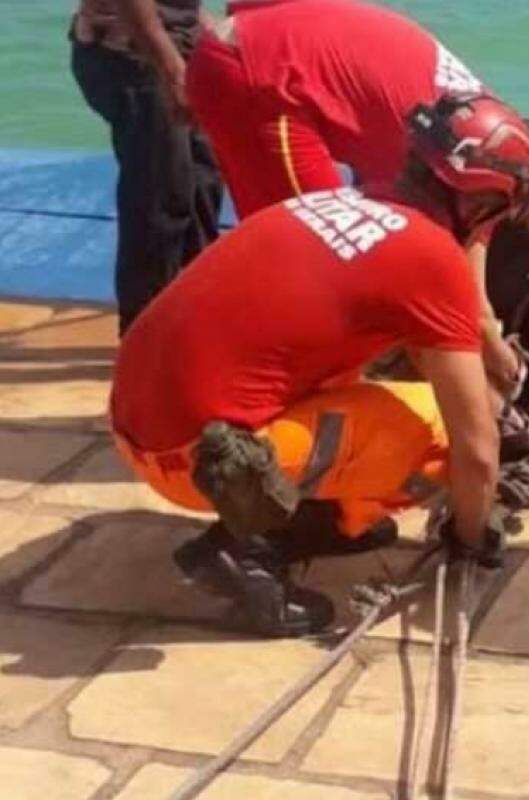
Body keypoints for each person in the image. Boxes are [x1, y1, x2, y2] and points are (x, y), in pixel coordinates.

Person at [110, 185, 506, 637]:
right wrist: (474, 543)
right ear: (478, 209)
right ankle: (249, 550)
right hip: (204, 465)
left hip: (135, 428)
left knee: (344, 382)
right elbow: (476, 448)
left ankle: (327, 519)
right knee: (440, 436)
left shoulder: (331, 201)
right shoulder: (437, 263)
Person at [178, 0, 529, 397]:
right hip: (261, 80)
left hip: (260, 40)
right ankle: (280, 403)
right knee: (319, 262)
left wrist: (489, 338)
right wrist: (498, 367)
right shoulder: (487, 164)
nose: (501, 216)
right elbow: (451, 288)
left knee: (333, 261)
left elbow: (468, 260)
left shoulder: (484, 124)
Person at [71, 0, 223, 334]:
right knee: (163, 195)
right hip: (133, 55)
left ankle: (200, 314)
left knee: (204, 183)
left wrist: (206, 31)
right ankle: (144, 333)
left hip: (177, 46)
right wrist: (171, 69)